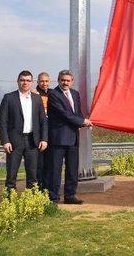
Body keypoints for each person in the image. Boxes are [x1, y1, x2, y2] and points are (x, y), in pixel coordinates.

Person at [46, 69, 92, 204]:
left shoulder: (75, 94)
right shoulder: (54, 94)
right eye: (63, 80)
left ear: (72, 81)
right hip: (58, 138)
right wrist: (82, 121)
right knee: (55, 169)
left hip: (73, 137)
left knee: (72, 168)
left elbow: (77, 113)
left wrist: (85, 121)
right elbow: (64, 114)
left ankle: (70, 195)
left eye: (68, 80)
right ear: (58, 80)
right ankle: (53, 197)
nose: (65, 82)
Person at [0, 70, 48, 191]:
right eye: (22, 80)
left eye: (28, 80)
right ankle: (9, 201)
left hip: (33, 141)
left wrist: (44, 139)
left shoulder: (37, 99)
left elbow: (43, 121)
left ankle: (31, 202)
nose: (25, 83)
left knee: (33, 174)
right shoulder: (9, 98)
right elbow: (2, 121)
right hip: (14, 142)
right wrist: (5, 141)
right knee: (11, 174)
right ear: (18, 81)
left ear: (31, 82)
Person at [33, 72, 52, 191]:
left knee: (50, 162)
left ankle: (48, 186)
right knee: (39, 163)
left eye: (46, 81)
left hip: (51, 131)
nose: (44, 83)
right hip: (38, 133)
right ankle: (39, 186)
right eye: (42, 81)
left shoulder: (53, 93)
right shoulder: (33, 95)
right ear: (38, 82)